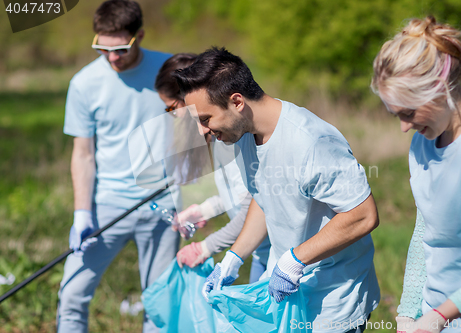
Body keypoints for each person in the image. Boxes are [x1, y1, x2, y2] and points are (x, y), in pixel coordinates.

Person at [173, 47, 380, 333]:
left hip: (333, 302)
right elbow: (264, 197)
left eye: (205, 119)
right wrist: (233, 258)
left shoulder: (310, 141)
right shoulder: (244, 137)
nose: (202, 132)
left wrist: (296, 259)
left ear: (237, 102)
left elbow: (363, 215)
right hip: (287, 294)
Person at [57, 1, 181, 332]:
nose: (112, 58)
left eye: (121, 49)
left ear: (139, 35)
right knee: (71, 296)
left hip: (162, 204)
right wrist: (81, 213)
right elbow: (82, 153)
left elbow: (193, 137)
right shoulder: (84, 84)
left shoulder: (169, 72)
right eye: (102, 49)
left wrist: (189, 195)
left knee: (159, 306)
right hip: (105, 207)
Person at [371, 16, 461, 333]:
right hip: (432, 319)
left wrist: (441, 316)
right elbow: (424, 231)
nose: (403, 127)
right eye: (396, 114)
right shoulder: (422, 142)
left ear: (440, 89)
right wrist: (407, 313)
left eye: (409, 111)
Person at [154, 53, 270, 282]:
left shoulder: (233, 139)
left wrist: (205, 248)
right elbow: (241, 194)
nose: (174, 116)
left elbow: (256, 207)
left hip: (275, 250)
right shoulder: (219, 139)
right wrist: (204, 210)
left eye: (171, 108)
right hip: (261, 251)